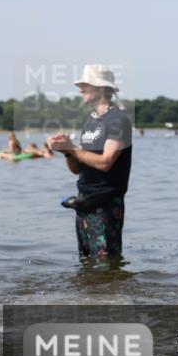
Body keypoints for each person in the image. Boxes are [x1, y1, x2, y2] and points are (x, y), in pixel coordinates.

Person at [47, 65, 133, 263]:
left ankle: (114, 294)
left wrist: (73, 148)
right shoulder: (90, 122)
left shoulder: (118, 120)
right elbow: (78, 169)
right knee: (86, 263)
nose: (80, 89)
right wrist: (67, 152)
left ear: (101, 88)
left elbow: (105, 163)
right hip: (84, 202)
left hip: (106, 204)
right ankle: (90, 295)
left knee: (106, 264)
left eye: (85, 84)